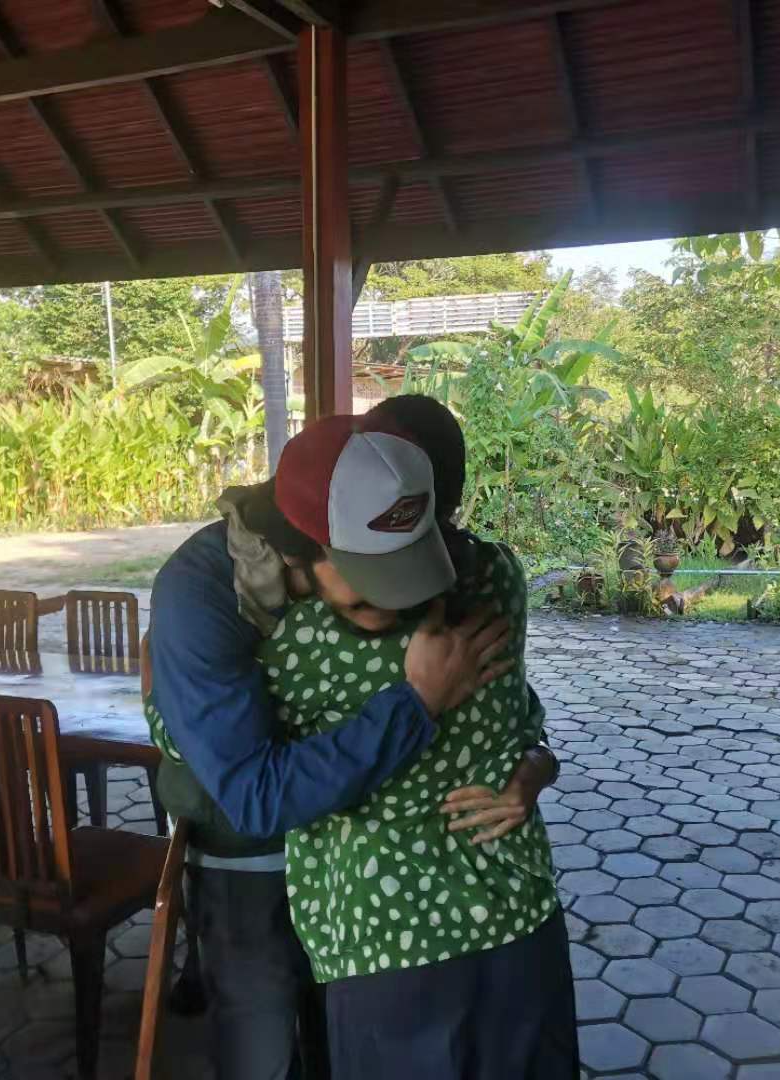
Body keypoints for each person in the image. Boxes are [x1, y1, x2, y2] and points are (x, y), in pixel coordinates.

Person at [144, 398, 558, 1079]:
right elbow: (247, 790)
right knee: (260, 1042)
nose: (400, 610)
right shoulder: (201, 596)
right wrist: (417, 703)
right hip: (248, 851)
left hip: (358, 889)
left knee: (334, 1038)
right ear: (302, 553)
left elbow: (514, 715)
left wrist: (535, 761)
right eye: (369, 592)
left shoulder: (429, 583)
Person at [260, 413, 576, 1079]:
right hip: (519, 915)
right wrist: (536, 764)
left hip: (388, 943)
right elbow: (524, 718)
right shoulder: (500, 578)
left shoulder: (301, 645)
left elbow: (209, 757)